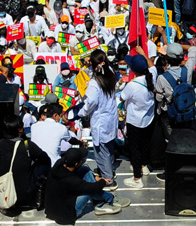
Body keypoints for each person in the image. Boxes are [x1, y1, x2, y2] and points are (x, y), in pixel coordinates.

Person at [43, 148, 129, 225]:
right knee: (89, 191)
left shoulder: (59, 163)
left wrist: (94, 177)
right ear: (76, 164)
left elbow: (80, 177)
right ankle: (105, 201)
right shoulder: (71, 181)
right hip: (66, 215)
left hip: (52, 209)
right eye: (81, 160)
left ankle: (100, 200)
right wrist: (102, 181)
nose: (83, 160)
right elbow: (94, 188)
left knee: (85, 169)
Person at [77, 49, 120, 186]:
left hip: (101, 119)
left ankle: (108, 178)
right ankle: (107, 169)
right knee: (109, 146)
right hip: (111, 117)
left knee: (101, 150)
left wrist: (81, 112)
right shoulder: (111, 73)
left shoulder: (95, 83)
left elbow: (91, 102)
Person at [0, 114, 51, 215]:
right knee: (43, 167)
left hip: (6, 191)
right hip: (25, 193)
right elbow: (46, 160)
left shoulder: (0, 144)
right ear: (20, 130)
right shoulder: (27, 145)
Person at [119, 53, 156, 188]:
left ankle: (137, 178)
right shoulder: (152, 76)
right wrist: (143, 54)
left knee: (134, 149)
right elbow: (152, 66)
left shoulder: (132, 85)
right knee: (145, 144)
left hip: (135, 121)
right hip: (149, 119)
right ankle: (143, 166)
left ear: (133, 70)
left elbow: (122, 98)